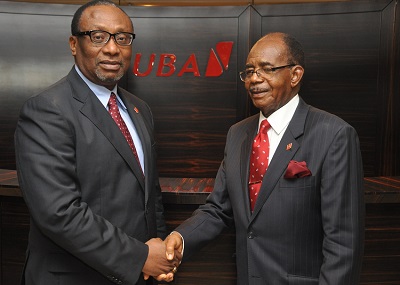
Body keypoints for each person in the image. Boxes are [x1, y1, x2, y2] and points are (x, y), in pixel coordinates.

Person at [164, 32, 365, 284]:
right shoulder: (237, 134)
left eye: (267, 69)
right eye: (249, 71)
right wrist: (181, 239)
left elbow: (343, 242)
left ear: (295, 75)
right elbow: (219, 209)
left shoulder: (334, 135)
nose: (254, 79)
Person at [14, 1, 179, 284]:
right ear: (74, 44)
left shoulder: (140, 109)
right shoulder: (46, 110)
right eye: (98, 36)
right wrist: (139, 256)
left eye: (123, 38)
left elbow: (150, 195)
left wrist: (159, 252)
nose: (113, 48)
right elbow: (58, 212)